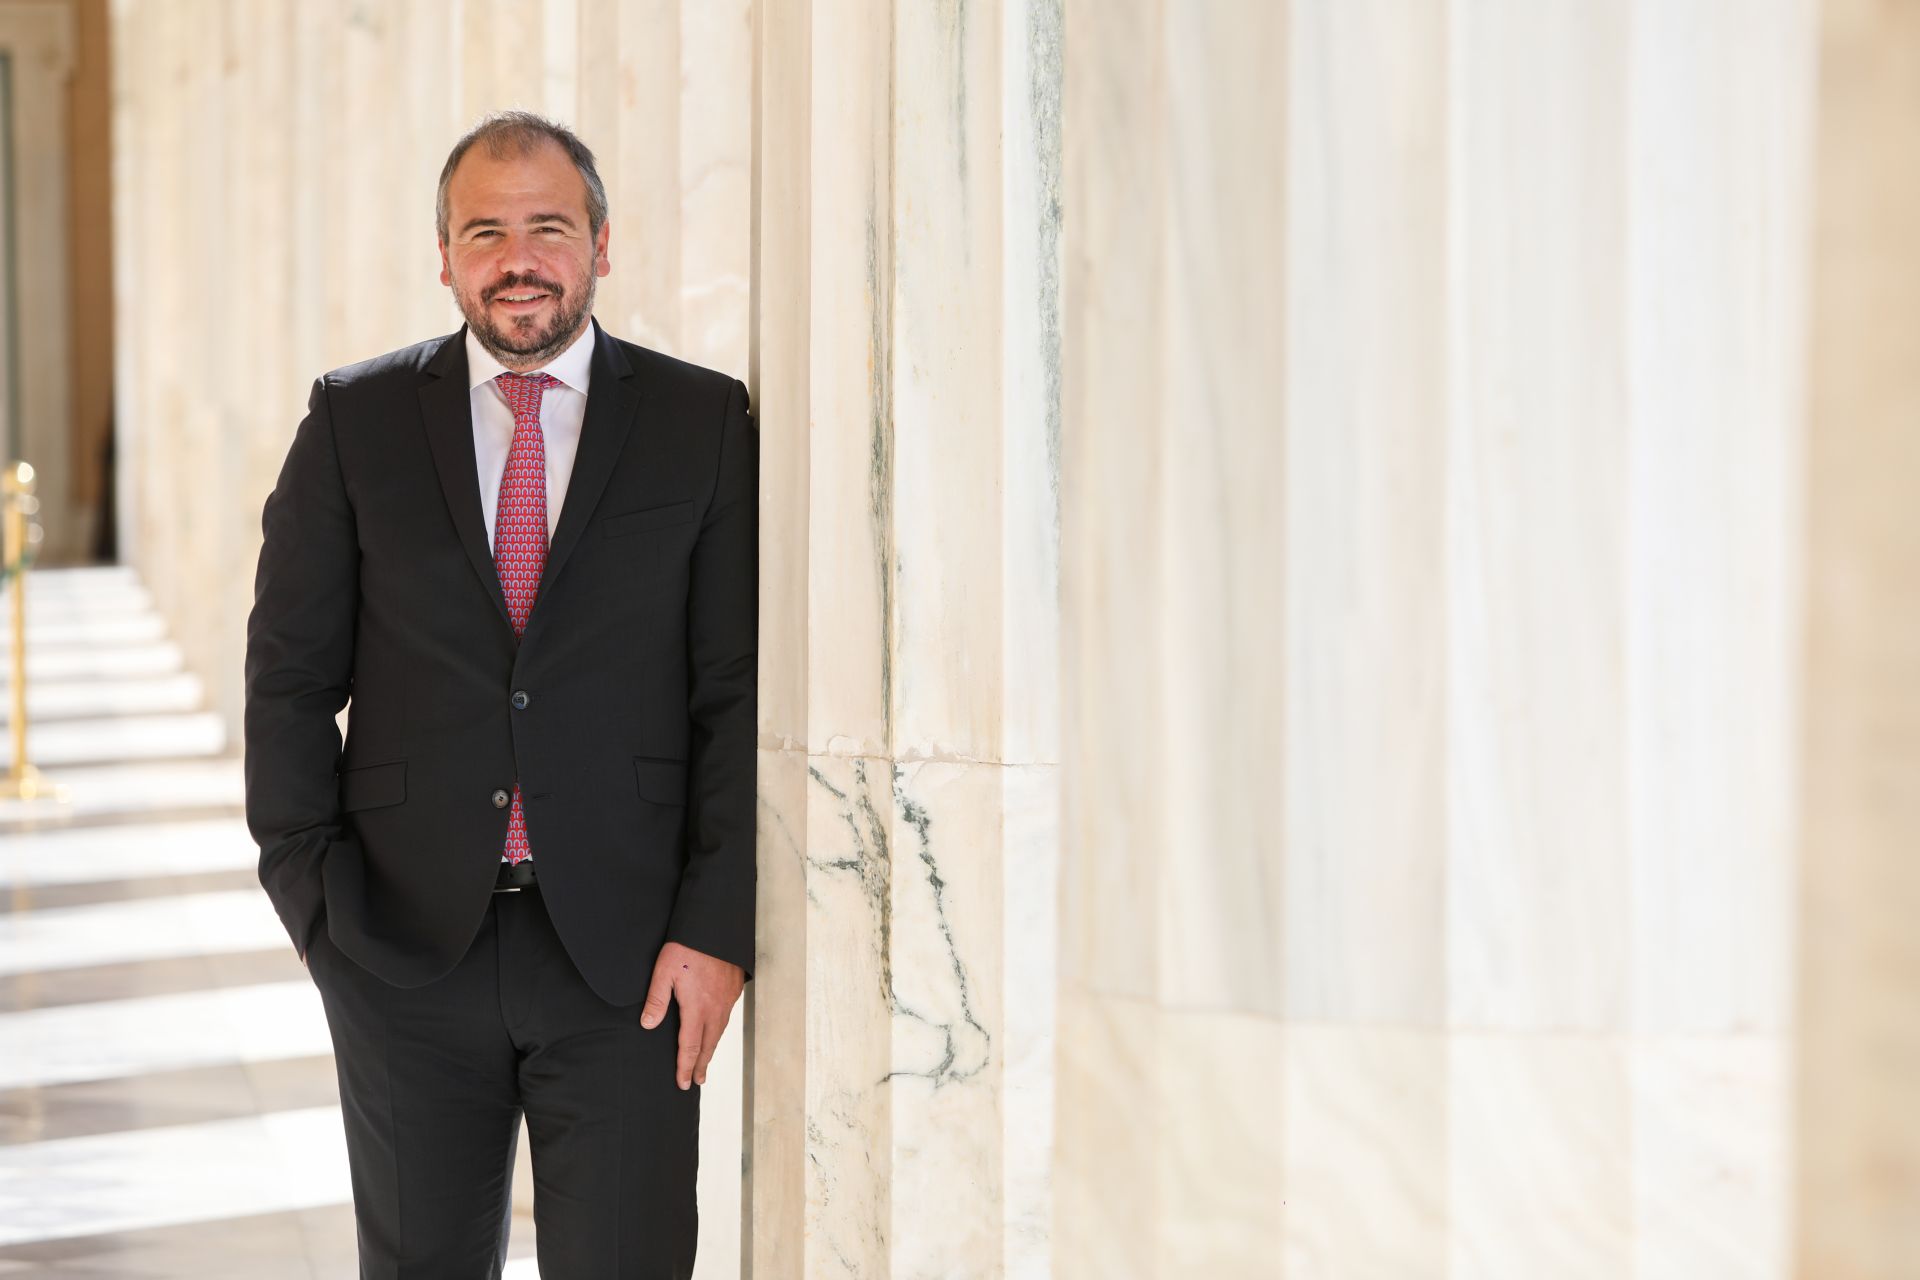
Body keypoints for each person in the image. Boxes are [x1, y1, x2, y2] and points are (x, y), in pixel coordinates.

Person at [243, 111, 756, 1279]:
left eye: (548, 228)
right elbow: (288, 679)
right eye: (485, 232)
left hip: (631, 960)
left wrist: (714, 925)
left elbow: (731, 692)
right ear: (444, 256)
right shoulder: (354, 420)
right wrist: (321, 913)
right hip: (403, 949)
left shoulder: (700, 423)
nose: (518, 260)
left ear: (602, 244)